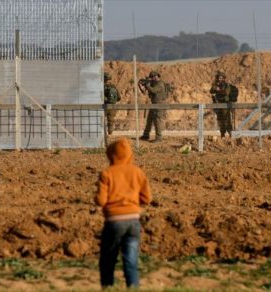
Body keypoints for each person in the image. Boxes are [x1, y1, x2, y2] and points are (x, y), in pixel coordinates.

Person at [95, 137, 152, 288]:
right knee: (131, 260)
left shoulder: (107, 173)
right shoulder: (137, 172)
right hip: (134, 221)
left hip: (114, 221)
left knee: (108, 259)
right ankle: (133, 287)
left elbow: (101, 200)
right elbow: (147, 198)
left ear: (110, 155)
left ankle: (107, 287)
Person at [138, 70, 168, 142]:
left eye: (153, 77)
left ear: (157, 76)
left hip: (159, 104)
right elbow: (148, 91)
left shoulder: (160, 84)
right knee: (149, 120)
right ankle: (146, 135)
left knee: (157, 121)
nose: (152, 78)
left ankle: (158, 137)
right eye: (151, 77)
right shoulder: (154, 83)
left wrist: (147, 86)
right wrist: (144, 84)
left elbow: (154, 90)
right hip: (154, 104)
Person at [209, 71, 239, 138]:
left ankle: (230, 133)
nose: (219, 79)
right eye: (218, 78)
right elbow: (211, 91)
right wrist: (215, 87)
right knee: (220, 119)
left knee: (226, 119)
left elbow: (226, 93)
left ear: (223, 78)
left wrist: (218, 90)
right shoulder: (216, 85)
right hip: (218, 104)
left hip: (225, 104)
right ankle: (223, 134)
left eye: (220, 78)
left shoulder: (227, 85)